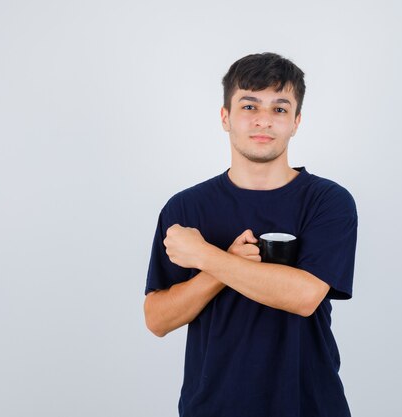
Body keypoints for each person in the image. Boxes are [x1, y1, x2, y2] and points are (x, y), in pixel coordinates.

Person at [144, 52, 358, 417]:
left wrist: (207, 257)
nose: (263, 120)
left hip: (308, 406)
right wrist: (218, 271)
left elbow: (305, 296)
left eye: (279, 109)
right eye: (249, 105)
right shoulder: (185, 208)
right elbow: (157, 319)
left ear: (296, 122)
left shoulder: (328, 202)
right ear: (225, 117)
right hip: (212, 408)